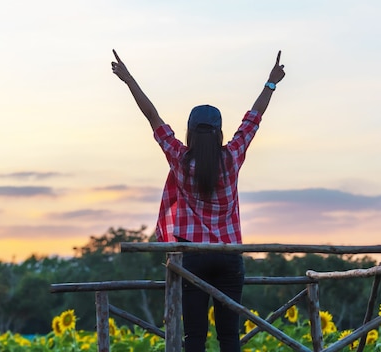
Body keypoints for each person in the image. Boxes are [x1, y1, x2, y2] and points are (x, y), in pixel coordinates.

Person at [111, 49, 285, 352]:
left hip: (191, 257)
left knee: (194, 337)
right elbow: (253, 118)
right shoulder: (231, 158)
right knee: (229, 336)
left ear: (190, 132)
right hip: (229, 256)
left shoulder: (179, 159)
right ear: (219, 133)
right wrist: (271, 82)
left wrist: (129, 80)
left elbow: (152, 117)